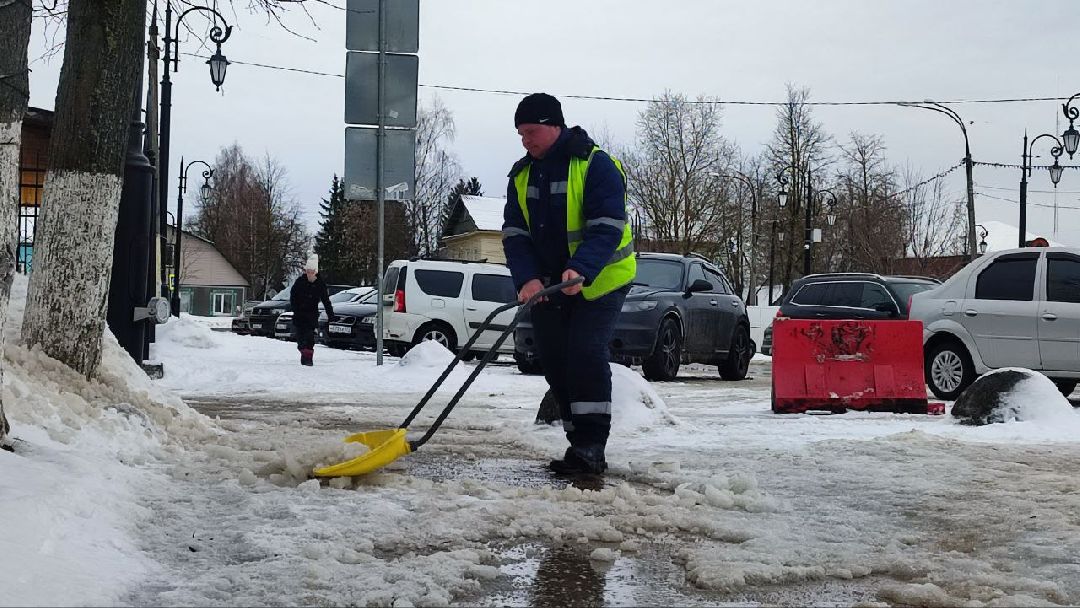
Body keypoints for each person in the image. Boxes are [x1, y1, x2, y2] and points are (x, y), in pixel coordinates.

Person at [501, 93, 636, 475]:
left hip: (601, 281)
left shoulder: (596, 165)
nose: (526, 140)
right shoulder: (522, 175)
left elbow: (607, 226)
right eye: (520, 134)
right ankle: (578, 444)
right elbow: (514, 234)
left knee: (584, 353)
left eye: (531, 131)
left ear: (554, 125)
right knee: (555, 359)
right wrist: (526, 277)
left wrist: (581, 268)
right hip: (548, 287)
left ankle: (593, 446)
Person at [289, 254, 334, 366]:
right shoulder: (300, 282)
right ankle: (304, 355)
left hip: (311, 315)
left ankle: (308, 360)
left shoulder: (320, 284)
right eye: (308, 271)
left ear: (316, 272)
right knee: (300, 341)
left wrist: (331, 315)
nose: (309, 274)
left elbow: (326, 300)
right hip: (299, 315)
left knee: (309, 339)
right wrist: (295, 308)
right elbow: (292, 296)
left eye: (312, 271)